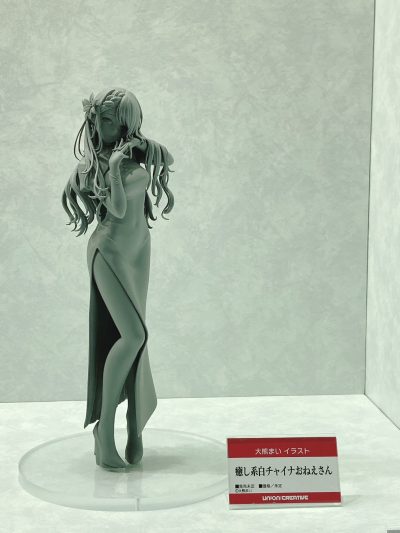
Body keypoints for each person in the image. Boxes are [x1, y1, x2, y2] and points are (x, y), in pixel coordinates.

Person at [61, 88, 174, 471]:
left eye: (108, 119)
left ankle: (133, 422)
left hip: (138, 252)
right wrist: (112, 167)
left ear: (126, 123)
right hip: (109, 250)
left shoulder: (135, 154)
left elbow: (168, 158)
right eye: (97, 119)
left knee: (136, 339)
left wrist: (139, 144)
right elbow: (119, 209)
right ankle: (104, 430)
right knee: (133, 335)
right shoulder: (92, 167)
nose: (99, 125)